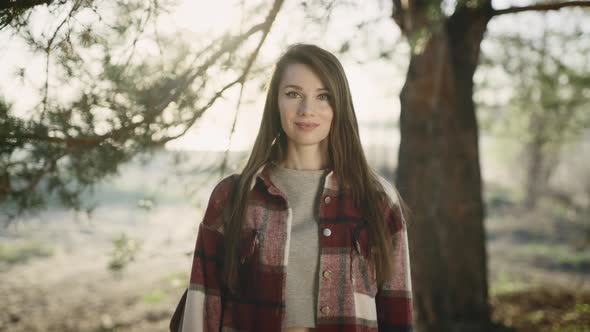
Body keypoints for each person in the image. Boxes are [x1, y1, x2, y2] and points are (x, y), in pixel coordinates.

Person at [178, 43, 412, 332]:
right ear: (275, 103)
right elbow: (202, 308)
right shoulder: (233, 196)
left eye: (322, 96)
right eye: (293, 94)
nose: (306, 110)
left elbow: (396, 310)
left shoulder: (376, 199)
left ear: (339, 105)